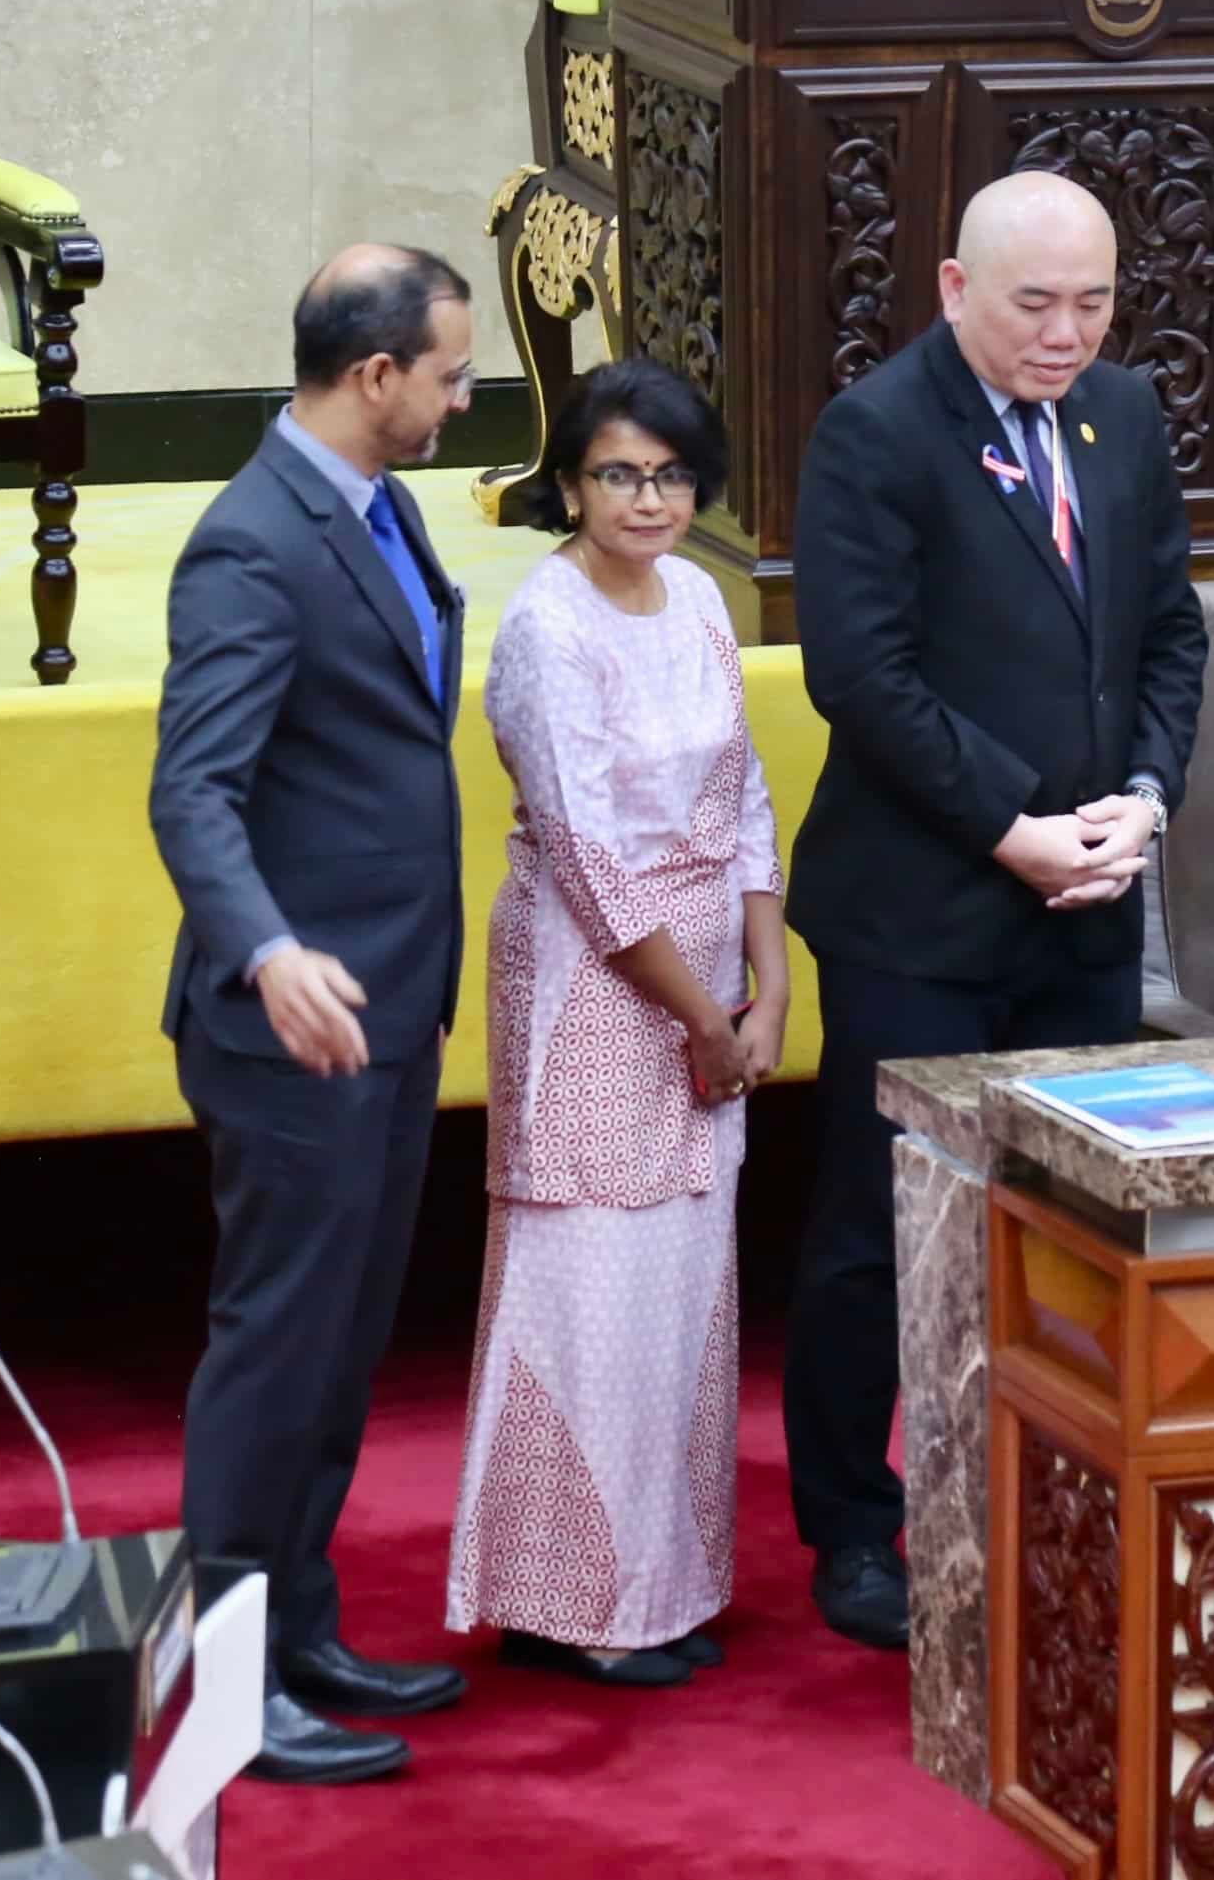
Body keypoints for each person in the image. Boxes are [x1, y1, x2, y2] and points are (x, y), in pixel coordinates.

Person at [782, 170, 1208, 1648]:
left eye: (1093, 303)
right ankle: (853, 1523)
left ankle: (1053, 1492)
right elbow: (862, 676)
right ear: (955, 289)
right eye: (1036, 304)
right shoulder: (877, 432)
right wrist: (1010, 826)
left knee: (1069, 1216)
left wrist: (1144, 795)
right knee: (882, 1223)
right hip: (922, 912)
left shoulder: (1124, 416)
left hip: (1084, 902)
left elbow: (1168, 633)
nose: (1066, 334)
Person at [148, 245, 477, 1785]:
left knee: (340, 1353)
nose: (463, 401)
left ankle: (300, 1630)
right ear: (374, 376)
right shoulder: (250, 543)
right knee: (274, 1356)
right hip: (291, 1028)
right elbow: (192, 791)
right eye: (450, 376)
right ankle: (227, 1694)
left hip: (386, 1008)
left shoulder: (377, 505)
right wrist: (269, 950)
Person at [445, 359, 787, 1691]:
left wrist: (769, 978)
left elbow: (745, 795)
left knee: (681, 1287)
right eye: (617, 475)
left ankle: (661, 1586)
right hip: (592, 985)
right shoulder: (547, 624)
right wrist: (704, 1018)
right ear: (569, 485)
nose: (647, 500)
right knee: (586, 1282)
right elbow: (588, 858)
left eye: (670, 475)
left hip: (707, 980)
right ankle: (569, 1600)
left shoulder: (696, 596)